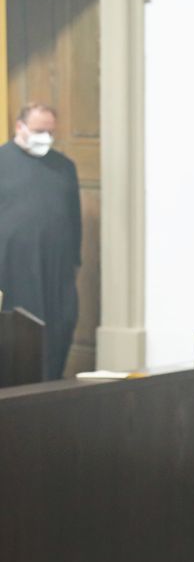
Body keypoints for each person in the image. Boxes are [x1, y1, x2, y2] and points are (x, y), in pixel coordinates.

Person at [0, 103, 81, 379]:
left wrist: (74, 259)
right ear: (19, 127)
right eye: (38, 130)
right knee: (19, 331)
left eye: (50, 131)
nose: (44, 137)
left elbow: (74, 215)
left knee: (60, 325)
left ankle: (51, 383)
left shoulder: (63, 166)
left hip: (56, 268)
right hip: (12, 268)